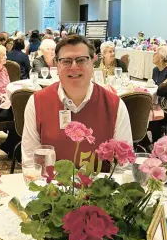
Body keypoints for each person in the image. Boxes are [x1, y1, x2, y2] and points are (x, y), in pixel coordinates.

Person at [21, 34, 132, 166]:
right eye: (66, 61)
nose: (74, 67)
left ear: (93, 62)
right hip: (51, 185)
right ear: (57, 65)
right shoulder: (36, 103)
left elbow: (124, 166)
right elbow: (30, 162)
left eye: (81, 60)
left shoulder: (115, 105)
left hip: (99, 185)